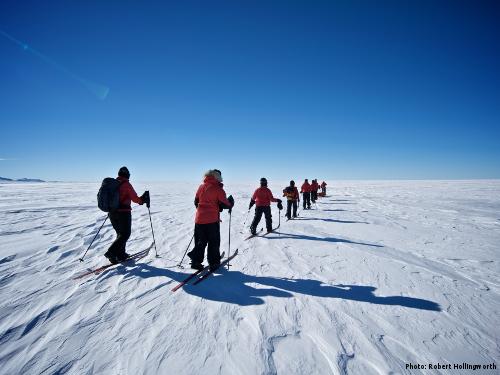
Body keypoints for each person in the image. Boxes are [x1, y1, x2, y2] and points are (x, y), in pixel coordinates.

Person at [188, 169, 234, 271]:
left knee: (200, 241)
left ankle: (195, 261)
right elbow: (226, 204)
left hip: (199, 219)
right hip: (212, 221)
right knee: (213, 242)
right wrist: (231, 203)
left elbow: (196, 201)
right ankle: (214, 263)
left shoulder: (201, 187)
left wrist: (205, 210)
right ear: (218, 177)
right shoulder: (218, 189)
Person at [104, 166, 149, 264]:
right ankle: (111, 252)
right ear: (127, 175)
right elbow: (135, 199)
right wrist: (142, 200)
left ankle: (120, 254)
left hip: (112, 213)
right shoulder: (126, 184)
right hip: (123, 213)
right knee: (125, 234)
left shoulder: (113, 184)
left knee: (120, 234)